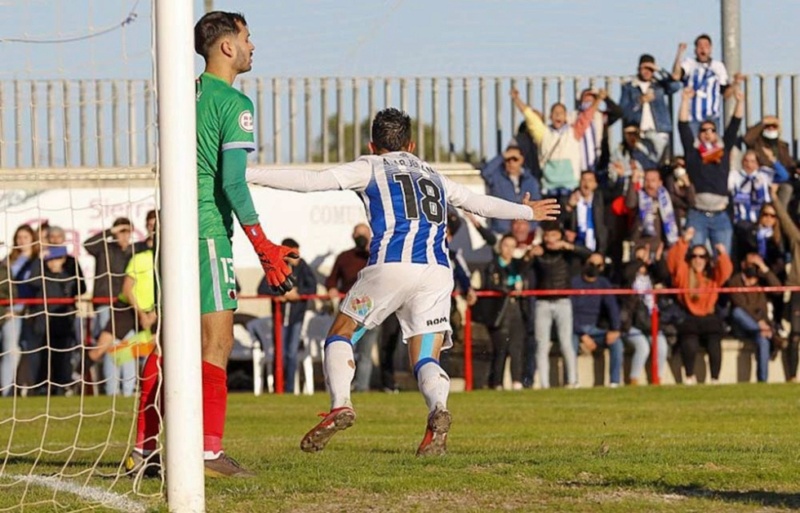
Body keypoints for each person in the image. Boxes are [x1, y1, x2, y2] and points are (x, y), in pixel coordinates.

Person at [246, 107, 560, 455]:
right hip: (437, 273)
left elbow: (311, 181)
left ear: (372, 144)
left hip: (391, 265)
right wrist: (527, 211)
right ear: (410, 144)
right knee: (426, 357)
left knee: (340, 333)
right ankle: (437, 410)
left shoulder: (370, 165)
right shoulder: (433, 174)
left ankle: (341, 404)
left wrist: (247, 173)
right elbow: (477, 203)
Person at [192, 11, 297, 477]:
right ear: (228, 46)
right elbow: (234, 184)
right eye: (248, 38)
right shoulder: (234, 104)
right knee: (217, 342)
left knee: (170, 344)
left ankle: (145, 447)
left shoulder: (184, 94)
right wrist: (263, 245)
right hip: (208, 230)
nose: (254, 46)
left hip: (173, 228)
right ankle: (208, 453)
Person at [678, 85, 743, 255]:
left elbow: (734, 125)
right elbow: (683, 126)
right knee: (695, 258)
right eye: (704, 130)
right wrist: (685, 100)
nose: (708, 133)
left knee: (723, 261)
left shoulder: (723, 150)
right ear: (699, 134)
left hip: (720, 216)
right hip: (697, 214)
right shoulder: (693, 153)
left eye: (712, 130)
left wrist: (740, 102)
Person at [667, 227, 733, 385]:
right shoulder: (683, 274)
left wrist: (722, 254)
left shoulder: (712, 276)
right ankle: (689, 377)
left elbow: (725, 271)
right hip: (689, 316)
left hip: (709, 317)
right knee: (689, 342)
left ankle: (715, 379)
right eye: (695, 256)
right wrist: (684, 241)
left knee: (714, 343)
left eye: (702, 256)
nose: (698, 260)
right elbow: (673, 262)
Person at [510, 88, 602, 199]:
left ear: (566, 117)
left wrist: (598, 100)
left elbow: (587, 116)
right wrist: (516, 99)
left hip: (570, 189)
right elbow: (530, 117)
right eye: (555, 113)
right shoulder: (543, 133)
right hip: (549, 190)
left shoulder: (574, 131)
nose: (558, 115)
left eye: (561, 113)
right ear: (550, 117)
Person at [258, 238, 317, 394]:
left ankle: (289, 388)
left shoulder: (303, 267)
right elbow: (263, 288)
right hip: (279, 318)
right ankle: (279, 388)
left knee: (291, 353)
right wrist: (280, 294)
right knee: (280, 353)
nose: (296, 257)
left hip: (296, 318)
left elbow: (312, 287)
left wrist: (298, 294)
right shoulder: (275, 266)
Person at [325, 223, 379, 392]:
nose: (361, 238)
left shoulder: (376, 256)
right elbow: (331, 280)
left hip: (371, 308)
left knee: (365, 352)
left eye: (364, 234)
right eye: (358, 234)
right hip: (349, 308)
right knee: (342, 346)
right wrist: (332, 289)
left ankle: (362, 387)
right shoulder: (344, 257)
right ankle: (341, 388)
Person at [83, 217, 134, 394]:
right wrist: (110, 232)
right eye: (120, 231)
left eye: (127, 231)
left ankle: (128, 390)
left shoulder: (135, 252)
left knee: (126, 347)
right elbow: (87, 244)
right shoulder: (104, 248)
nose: (124, 235)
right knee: (110, 346)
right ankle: (111, 390)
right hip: (105, 303)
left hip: (127, 305)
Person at [480, 234, 531, 391]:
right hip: (500, 309)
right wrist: (509, 290)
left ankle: (517, 381)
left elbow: (526, 279)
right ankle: (497, 383)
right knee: (500, 348)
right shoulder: (493, 266)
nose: (508, 250)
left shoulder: (518, 265)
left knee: (517, 346)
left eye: (512, 246)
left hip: (516, 307)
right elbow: (491, 284)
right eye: (506, 245)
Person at [570, 253, 623, 387]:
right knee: (570, 343)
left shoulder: (603, 283)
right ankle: (573, 381)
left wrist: (615, 329)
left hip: (595, 328)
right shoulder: (574, 283)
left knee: (617, 343)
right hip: (575, 329)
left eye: (598, 265)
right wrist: (583, 335)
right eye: (591, 264)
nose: (594, 267)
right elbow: (569, 313)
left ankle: (614, 382)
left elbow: (612, 307)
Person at [672, 35, 742, 135]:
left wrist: (735, 83)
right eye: (700, 46)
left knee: (712, 149)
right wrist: (679, 54)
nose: (703, 49)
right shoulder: (689, 63)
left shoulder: (718, 66)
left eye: (706, 46)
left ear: (711, 49)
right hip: (692, 117)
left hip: (711, 118)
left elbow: (726, 94)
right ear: (695, 49)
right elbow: (676, 75)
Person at [728, 253, 781, 383]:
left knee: (763, 342)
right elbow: (741, 306)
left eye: (756, 265)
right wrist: (759, 324)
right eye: (751, 264)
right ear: (743, 265)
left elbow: (778, 290)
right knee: (737, 312)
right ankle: (762, 330)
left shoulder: (763, 280)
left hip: (761, 328)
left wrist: (764, 268)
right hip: (744, 326)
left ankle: (762, 381)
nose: (753, 267)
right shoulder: (735, 281)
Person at [620, 53, 682, 161]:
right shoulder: (629, 87)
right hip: (638, 132)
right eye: (644, 68)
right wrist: (639, 101)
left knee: (661, 162)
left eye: (650, 69)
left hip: (659, 130)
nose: (647, 71)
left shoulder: (659, 85)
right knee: (641, 162)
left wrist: (659, 70)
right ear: (639, 69)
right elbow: (623, 111)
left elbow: (675, 86)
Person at [1, 225, 40, 397]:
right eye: (19, 237)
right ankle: (7, 390)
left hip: (32, 312)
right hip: (11, 312)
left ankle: (29, 388)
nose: (22, 240)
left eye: (25, 237)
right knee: (10, 350)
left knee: (30, 351)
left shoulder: (38, 260)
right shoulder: (8, 261)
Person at [480, 143, 542, 235]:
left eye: (515, 159)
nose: (511, 163)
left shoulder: (531, 180)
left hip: (526, 233)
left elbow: (537, 204)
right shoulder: (497, 177)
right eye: (508, 159)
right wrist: (503, 155)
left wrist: (529, 227)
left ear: (522, 160)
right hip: (502, 231)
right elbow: (485, 172)